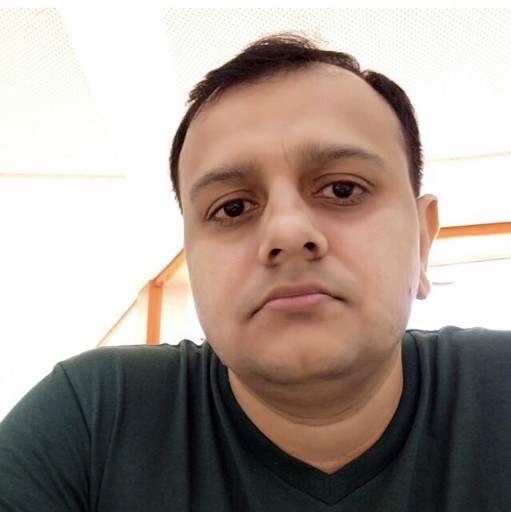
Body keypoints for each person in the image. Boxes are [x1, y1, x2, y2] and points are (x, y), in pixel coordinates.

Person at [1, 33, 510, 511]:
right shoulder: (92, 418)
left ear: (421, 242)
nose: (287, 232)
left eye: (342, 189)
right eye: (233, 207)